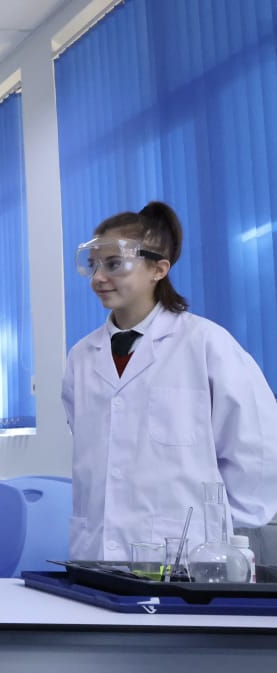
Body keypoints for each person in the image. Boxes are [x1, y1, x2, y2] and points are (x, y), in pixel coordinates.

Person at [63, 202, 277, 561]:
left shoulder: (207, 344)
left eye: (113, 264)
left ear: (158, 269)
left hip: (187, 555)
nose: (98, 278)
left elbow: (258, 450)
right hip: (95, 551)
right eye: (93, 264)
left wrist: (221, 532)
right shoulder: (81, 357)